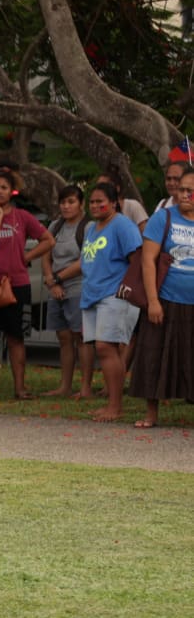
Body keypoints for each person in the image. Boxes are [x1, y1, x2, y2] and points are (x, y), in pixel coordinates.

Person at [0, 170, 54, 401]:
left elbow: (48, 240)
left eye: (3, 188)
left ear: (12, 191)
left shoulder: (23, 217)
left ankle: (20, 388)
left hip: (17, 285)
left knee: (17, 337)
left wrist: (26, 258)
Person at [129, 167, 194, 428]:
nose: (185, 194)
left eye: (191, 190)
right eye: (182, 190)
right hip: (166, 298)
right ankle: (151, 414)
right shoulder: (163, 218)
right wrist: (153, 301)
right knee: (155, 354)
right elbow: (148, 261)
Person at [79, 183, 142, 422]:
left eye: (100, 201)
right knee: (102, 349)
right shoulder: (91, 228)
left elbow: (137, 257)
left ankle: (115, 406)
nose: (95, 206)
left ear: (114, 202)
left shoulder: (122, 225)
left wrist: (127, 287)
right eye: (92, 202)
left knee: (107, 348)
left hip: (115, 294)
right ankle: (110, 403)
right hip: (92, 294)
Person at [40, 185, 95, 399]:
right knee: (63, 337)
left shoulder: (88, 227)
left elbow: (85, 261)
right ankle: (65, 385)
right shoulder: (55, 225)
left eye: (71, 202)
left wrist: (58, 279)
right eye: (63, 202)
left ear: (81, 204)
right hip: (56, 287)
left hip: (78, 286)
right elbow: (45, 252)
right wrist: (50, 281)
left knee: (81, 336)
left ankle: (85, 387)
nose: (66, 206)